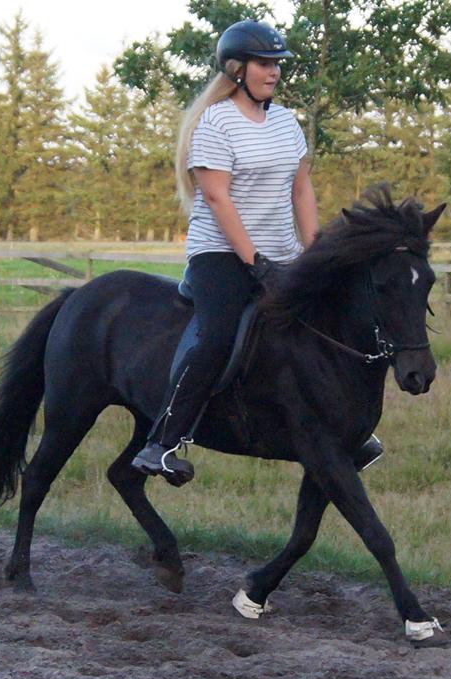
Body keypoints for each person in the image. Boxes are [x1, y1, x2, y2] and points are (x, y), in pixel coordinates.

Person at [131, 19, 318, 483]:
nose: (273, 72)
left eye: (277, 64)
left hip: (281, 252)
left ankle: (344, 431)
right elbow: (218, 199)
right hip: (220, 255)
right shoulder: (216, 123)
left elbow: (302, 189)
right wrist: (255, 262)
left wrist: (313, 252)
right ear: (237, 69)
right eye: (263, 63)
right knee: (216, 335)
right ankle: (163, 442)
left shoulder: (285, 122)